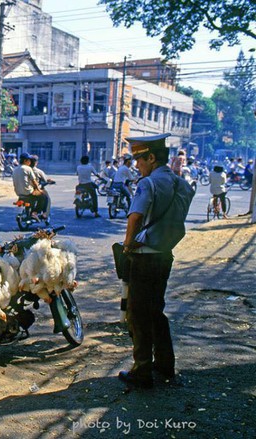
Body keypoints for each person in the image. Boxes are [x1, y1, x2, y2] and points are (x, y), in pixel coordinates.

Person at [118, 133, 194, 389]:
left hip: (144, 257)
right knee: (156, 311)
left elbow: (135, 217)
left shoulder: (147, 183)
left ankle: (142, 371)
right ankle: (165, 363)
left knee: (138, 314)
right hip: (165, 256)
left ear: (151, 157)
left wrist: (128, 244)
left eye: (139, 159)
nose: (137, 165)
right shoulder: (181, 184)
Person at [12, 152, 49, 220]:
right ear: (25, 160)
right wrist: (38, 189)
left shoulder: (15, 169)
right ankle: (34, 213)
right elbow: (34, 182)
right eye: (29, 160)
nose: (30, 162)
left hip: (18, 193)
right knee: (44, 197)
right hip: (28, 192)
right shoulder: (27, 168)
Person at [30, 155, 54, 221]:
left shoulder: (24, 170)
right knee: (46, 198)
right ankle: (43, 213)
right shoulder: (38, 171)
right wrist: (50, 181)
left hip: (24, 191)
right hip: (35, 190)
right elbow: (46, 180)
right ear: (36, 162)